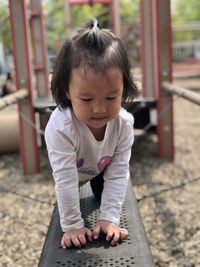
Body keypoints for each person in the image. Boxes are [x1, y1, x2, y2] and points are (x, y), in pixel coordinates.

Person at [45, 18, 138, 249]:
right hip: (71, 170)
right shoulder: (60, 127)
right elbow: (65, 180)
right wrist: (73, 225)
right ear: (67, 90)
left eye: (110, 97)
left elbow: (118, 174)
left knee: (103, 194)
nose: (99, 108)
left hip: (100, 169)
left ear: (123, 89)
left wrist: (109, 219)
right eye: (86, 99)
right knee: (68, 195)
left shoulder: (123, 124)